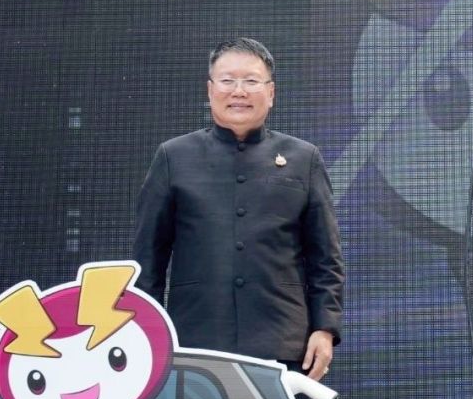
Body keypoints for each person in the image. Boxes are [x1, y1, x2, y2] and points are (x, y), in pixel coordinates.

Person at [133, 38, 344, 379]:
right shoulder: (174, 157)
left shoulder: (303, 159)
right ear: (210, 89)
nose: (239, 91)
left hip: (283, 342)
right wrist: (148, 333)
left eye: (251, 81)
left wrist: (325, 328)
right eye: (228, 80)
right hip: (195, 342)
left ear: (271, 93)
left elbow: (326, 258)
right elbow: (148, 259)